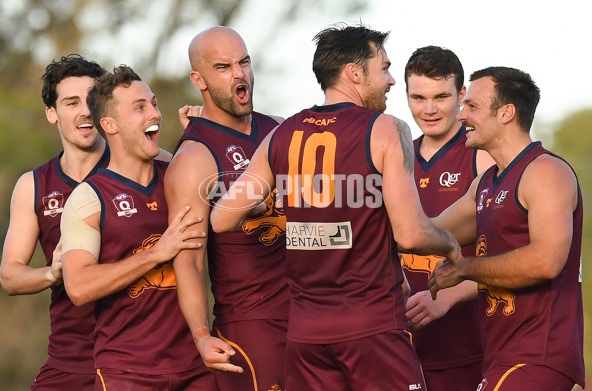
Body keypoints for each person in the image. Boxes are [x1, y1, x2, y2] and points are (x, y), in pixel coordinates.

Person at [210, 23, 462, 391]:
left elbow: (221, 218)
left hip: (306, 336)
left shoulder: (281, 133)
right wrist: (449, 243)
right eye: (385, 68)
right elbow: (410, 235)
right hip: (372, 330)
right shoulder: (387, 129)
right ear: (355, 73)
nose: (391, 80)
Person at [60, 65, 217, 390]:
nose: (154, 114)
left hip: (197, 365)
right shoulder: (88, 199)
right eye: (140, 107)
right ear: (109, 125)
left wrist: (200, 138)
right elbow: (78, 288)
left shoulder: (178, 173)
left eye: (154, 103)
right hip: (127, 372)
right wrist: (156, 254)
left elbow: (234, 204)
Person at [429, 66, 585, 390]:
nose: (460, 115)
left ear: (506, 113)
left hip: (539, 357)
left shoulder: (545, 172)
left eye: (471, 106)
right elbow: (428, 233)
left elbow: (546, 260)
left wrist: (465, 269)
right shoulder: (484, 184)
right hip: (502, 357)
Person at [164, 26, 288, 391]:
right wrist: (202, 334)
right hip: (253, 326)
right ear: (198, 79)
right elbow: (188, 260)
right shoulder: (194, 157)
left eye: (244, 62)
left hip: (314, 311)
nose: (239, 74)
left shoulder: (279, 128)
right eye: (223, 67)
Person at [0, 54, 108, 390]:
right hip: (70, 360)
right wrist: (51, 272)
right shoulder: (33, 185)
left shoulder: (142, 166)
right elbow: (10, 275)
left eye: (91, 100)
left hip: (139, 356)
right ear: (52, 113)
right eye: (71, 102)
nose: (85, 111)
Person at [400, 46, 494, 390]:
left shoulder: (481, 156)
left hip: (470, 349)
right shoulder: (393, 156)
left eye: (441, 96)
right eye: (418, 97)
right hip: (401, 350)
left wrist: (450, 296)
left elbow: (511, 256)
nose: (429, 109)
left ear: (461, 95)